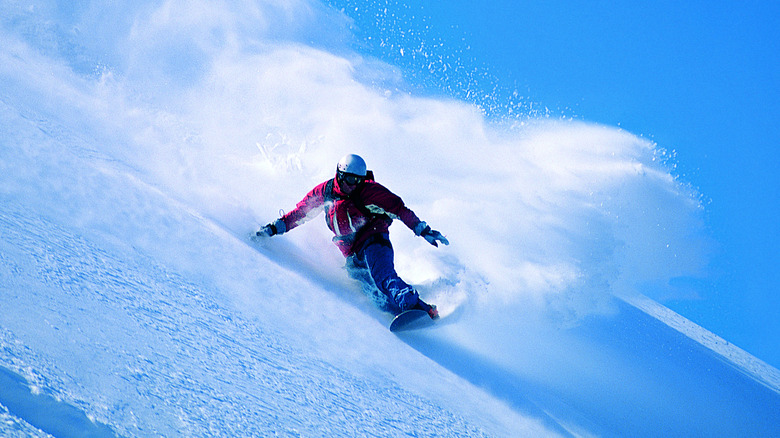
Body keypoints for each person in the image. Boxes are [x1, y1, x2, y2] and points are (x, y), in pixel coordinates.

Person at [256, 154, 448, 319]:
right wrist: (274, 228)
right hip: (351, 253)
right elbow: (300, 213)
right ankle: (404, 313)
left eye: (357, 180)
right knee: (376, 296)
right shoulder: (325, 192)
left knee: (382, 276)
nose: (352, 185)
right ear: (339, 174)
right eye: (348, 179)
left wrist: (423, 230)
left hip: (374, 239)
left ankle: (418, 307)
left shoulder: (369, 191)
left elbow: (399, 209)